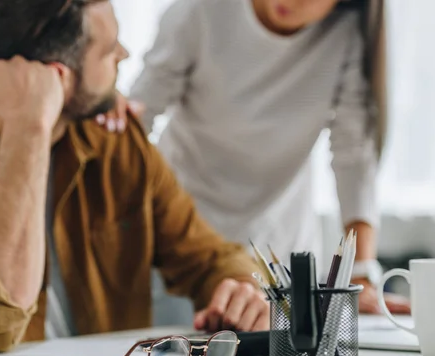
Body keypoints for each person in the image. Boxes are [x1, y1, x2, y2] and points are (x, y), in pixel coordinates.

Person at [0, 0, 270, 356]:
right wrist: (28, 128)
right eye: (108, 50)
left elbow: (208, 258)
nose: (124, 54)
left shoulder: (116, 147)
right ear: (57, 75)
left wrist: (239, 291)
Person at [100, 0, 410, 314]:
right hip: (190, 243)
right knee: (189, 355)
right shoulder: (200, 11)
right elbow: (142, 109)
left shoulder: (345, 37)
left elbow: (354, 157)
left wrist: (361, 270)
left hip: (280, 245)